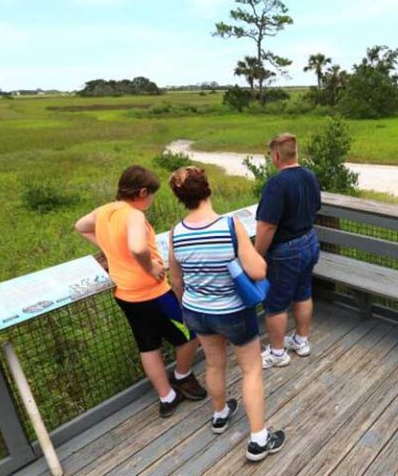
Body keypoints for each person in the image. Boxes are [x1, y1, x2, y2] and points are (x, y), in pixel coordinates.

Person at [167, 166, 285, 461]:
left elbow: (176, 280)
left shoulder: (175, 233)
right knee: (251, 369)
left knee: (214, 364)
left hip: (197, 311)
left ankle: (220, 415)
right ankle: (259, 439)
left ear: (180, 198)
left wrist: (187, 307)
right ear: (207, 188)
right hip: (232, 312)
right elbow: (258, 269)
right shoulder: (230, 226)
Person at [74, 165, 206, 418]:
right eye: (152, 195)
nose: (152, 200)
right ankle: (182, 375)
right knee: (191, 333)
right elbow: (137, 248)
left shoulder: (104, 211)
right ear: (142, 192)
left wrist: (110, 247)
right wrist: (151, 265)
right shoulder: (133, 215)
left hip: (125, 294)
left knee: (148, 346)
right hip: (152, 292)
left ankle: (167, 396)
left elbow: (81, 226)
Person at [255, 133, 322, 369]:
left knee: (276, 303)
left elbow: (267, 225)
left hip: (287, 250)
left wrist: (256, 255)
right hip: (310, 241)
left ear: (275, 156)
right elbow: (316, 207)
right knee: (303, 292)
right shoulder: (310, 176)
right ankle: (301, 342)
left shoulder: (276, 184)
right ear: (295, 152)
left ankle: (276, 353)